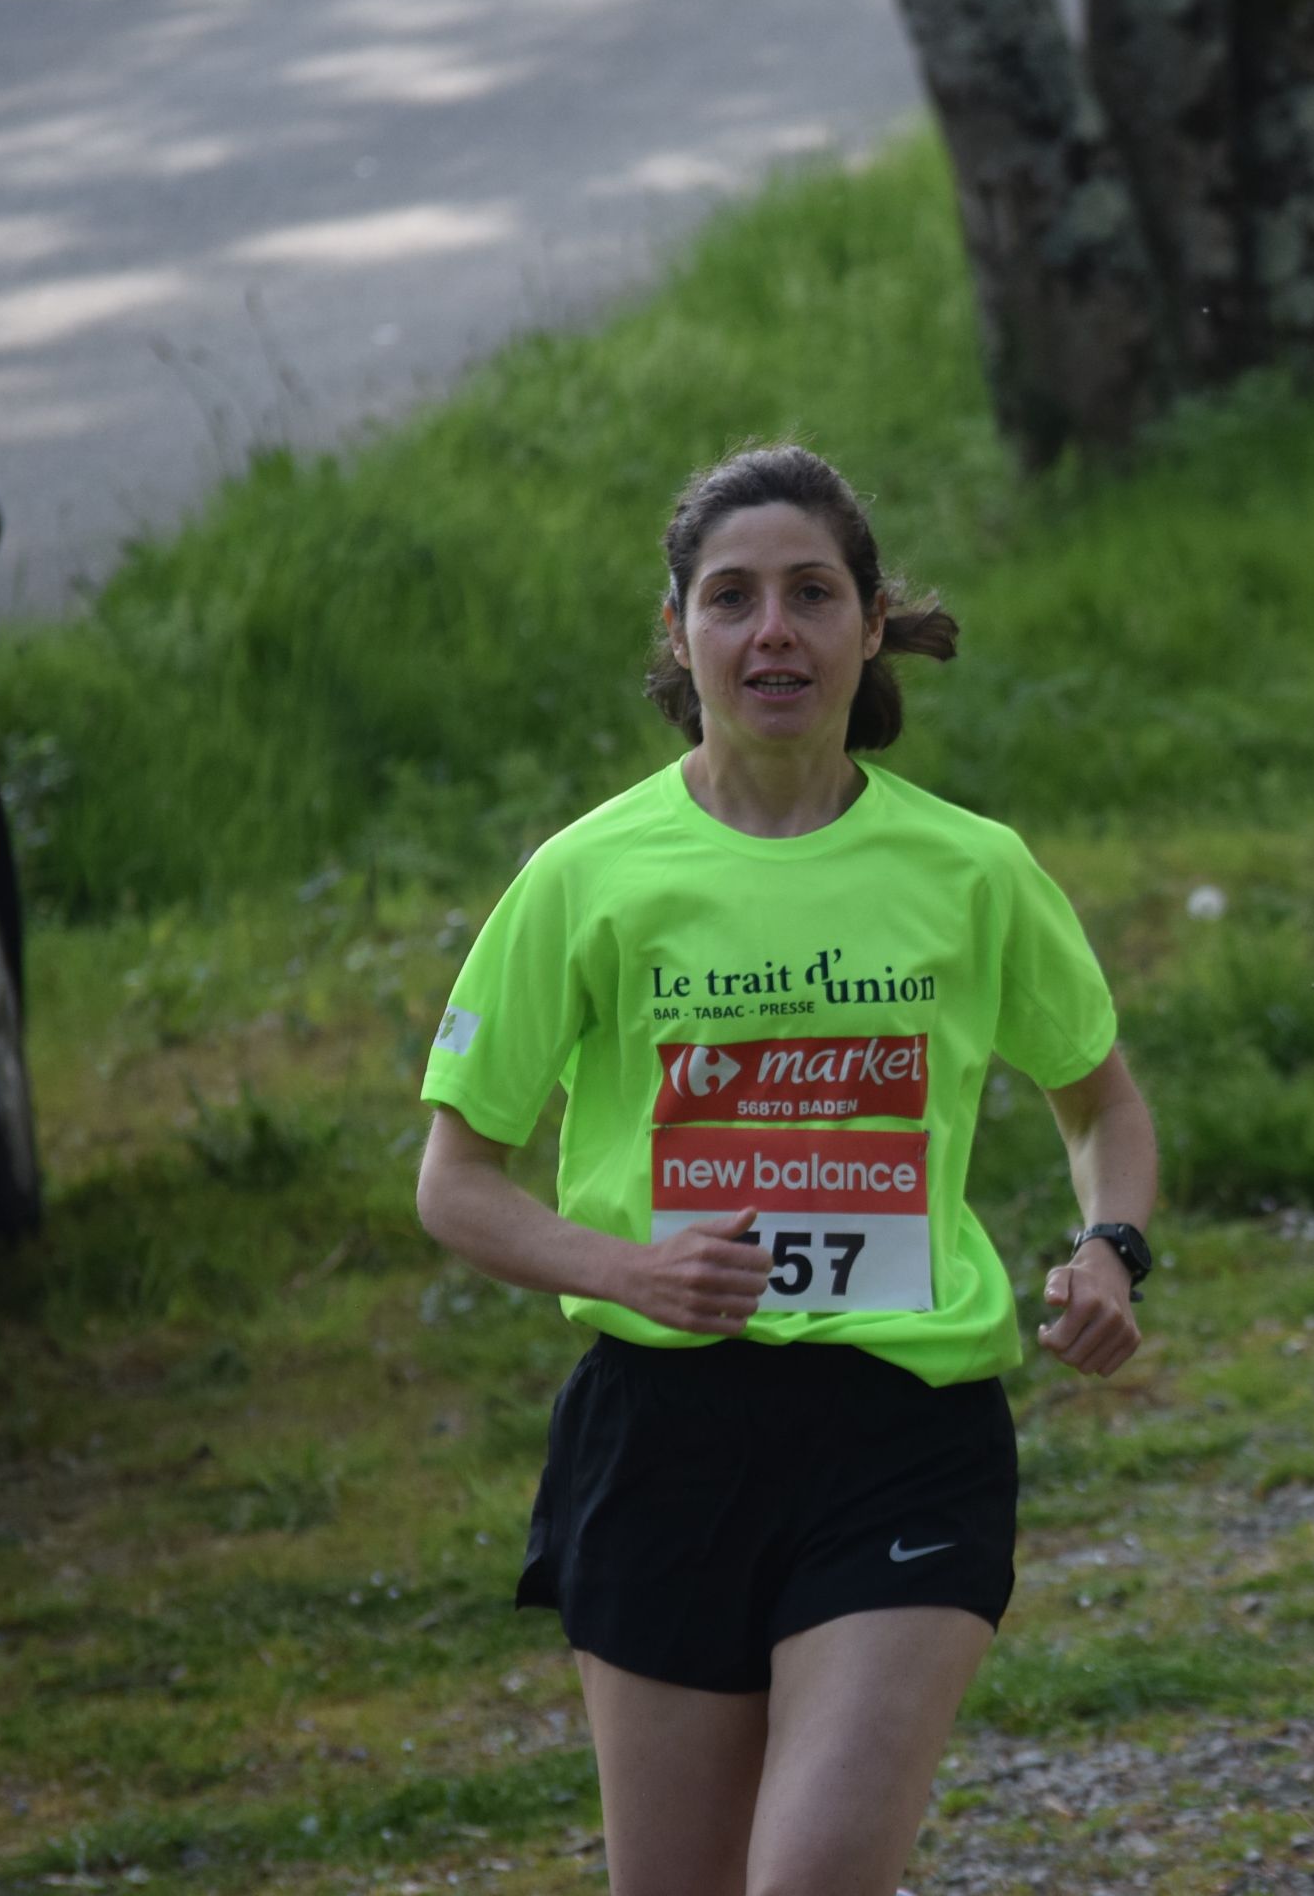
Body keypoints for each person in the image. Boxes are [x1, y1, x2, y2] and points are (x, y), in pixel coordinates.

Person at [414, 444, 1158, 1896]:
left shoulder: (972, 868)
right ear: (679, 631)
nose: (774, 631)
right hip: (664, 1436)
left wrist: (1109, 1246)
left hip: (905, 1427)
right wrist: (631, 1268)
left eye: (812, 594)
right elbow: (457, 1177)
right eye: (732, 597)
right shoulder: (586, 874)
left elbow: (1102, 1105)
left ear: (870, 625)